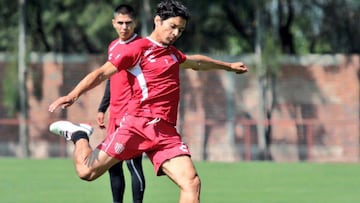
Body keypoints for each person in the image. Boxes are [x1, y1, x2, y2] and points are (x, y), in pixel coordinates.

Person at [48, 1, 248, 202]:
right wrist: (73, 95)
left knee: (191, 182)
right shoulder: (138, 49)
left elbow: (196, 62)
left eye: (181, 29)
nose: (176, 33)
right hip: (136, 127)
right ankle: (79, 134)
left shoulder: (172, 53)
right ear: (157, 21)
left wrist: (228, 66)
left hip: (165, 132)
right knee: (86, 172)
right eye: (173, 27)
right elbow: (101, 73)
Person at [96, 5, 145, 203]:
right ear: (114, 23)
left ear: (135, 23)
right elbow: (110, 77)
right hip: (114, 114)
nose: (124, 27)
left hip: (132, 115)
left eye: (128, 23)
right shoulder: (113, 46)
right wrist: (102, 107)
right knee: (112, 165)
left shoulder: (142, 46)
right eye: (120, 23)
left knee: (133, 164)